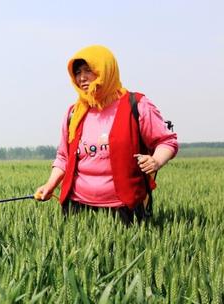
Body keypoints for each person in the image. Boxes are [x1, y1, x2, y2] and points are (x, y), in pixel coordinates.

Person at [35, 45, 179, 223]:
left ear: (106, 70)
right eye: (78, 72)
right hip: (76, 207)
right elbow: (64, 157)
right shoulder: (74, 113)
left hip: (124, 207)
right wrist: (50, 185)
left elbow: (166, 141)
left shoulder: (137, 105)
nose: (82, 77)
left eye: (88, 70)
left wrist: (156, 160)